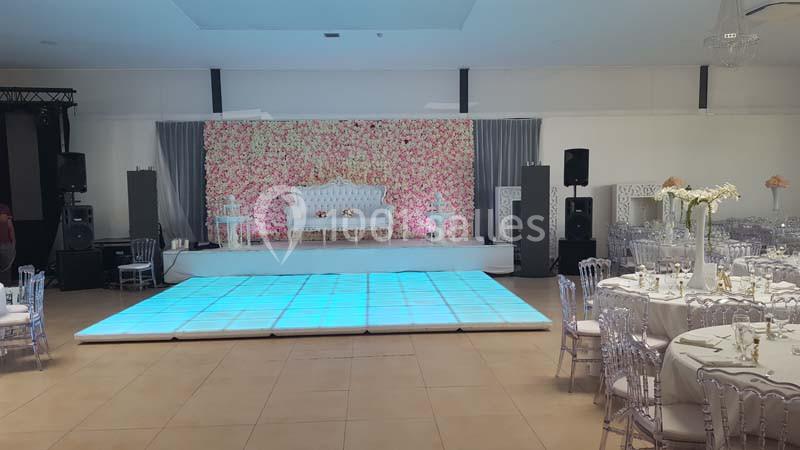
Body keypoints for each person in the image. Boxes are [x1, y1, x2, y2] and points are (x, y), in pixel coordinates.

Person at [0, 204, 16, 283]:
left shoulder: (3, 209)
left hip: (5, 244)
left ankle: (5, 290)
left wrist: (13, 243)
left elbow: (10, 227)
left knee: (6, 271)